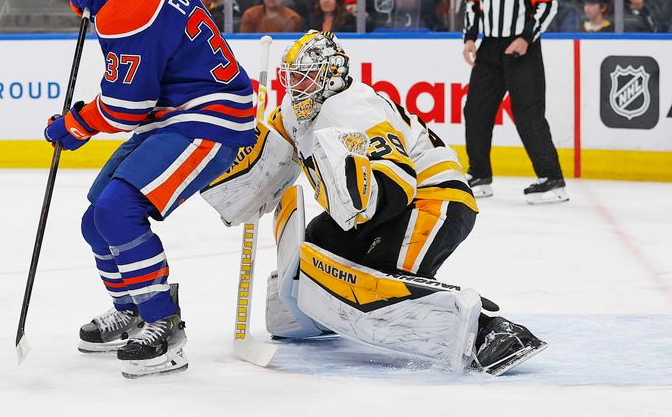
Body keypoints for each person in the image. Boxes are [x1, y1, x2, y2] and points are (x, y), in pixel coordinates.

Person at [206, 30, 546, 375]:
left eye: (304, 79)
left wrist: (357, 260)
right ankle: (320, 310)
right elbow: (270, 167)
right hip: (384, 211)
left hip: (434, 200)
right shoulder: (294, 112)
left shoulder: (352, 108)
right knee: (320, 245)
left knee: (375, 279)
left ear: (330, 77)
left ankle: (492, 332)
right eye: (291, 78)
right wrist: (240, 178)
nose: (295, 88)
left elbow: (397, 185)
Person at [58, 0, 255, 378]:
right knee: (96, 218)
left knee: (117, 212)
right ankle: (130, 311)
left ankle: (163, 324)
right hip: (175, 113)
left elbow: (127, 109)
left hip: (211, 117)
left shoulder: (131, 12)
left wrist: (74, 125)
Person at [462, 0, 566, 203]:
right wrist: (470, 38)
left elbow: (549, 5)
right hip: (490, 47)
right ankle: (479, 174)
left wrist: (526, 38)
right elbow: (473, 5)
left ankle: (552, 179)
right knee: (476, 109)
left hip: (522, 48)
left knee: (528, 113)